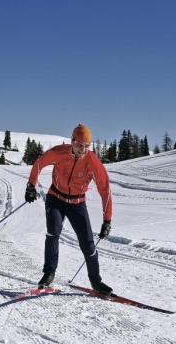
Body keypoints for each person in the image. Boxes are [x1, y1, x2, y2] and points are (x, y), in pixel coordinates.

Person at [24, 123, 113, 294]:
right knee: (53, 232)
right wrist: (31, 186)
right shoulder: (59, 152)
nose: (83, 149)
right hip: (55, 198)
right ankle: (49, 273)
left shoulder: (92, 161)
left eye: (87, 146)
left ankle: (96, 282)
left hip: (77, 204)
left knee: (88, 244)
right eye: (80, 144)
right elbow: (39, 163)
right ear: (72, 140)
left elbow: (105, 191)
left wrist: (107, 220)